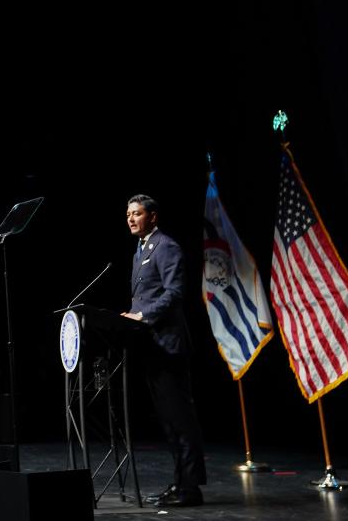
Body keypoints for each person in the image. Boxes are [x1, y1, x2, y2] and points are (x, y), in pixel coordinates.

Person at [120, 194, 205, 508]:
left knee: (181, 420)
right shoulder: (140, 250)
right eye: (128, 213)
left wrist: (142, 316)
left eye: (137, 213)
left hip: (168, 346)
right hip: (150, 347)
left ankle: (191, 488)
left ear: (153, 216)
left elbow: (174, 293)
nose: (130, 219)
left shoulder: (166, 246)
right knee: (168, 421)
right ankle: (181, 483)